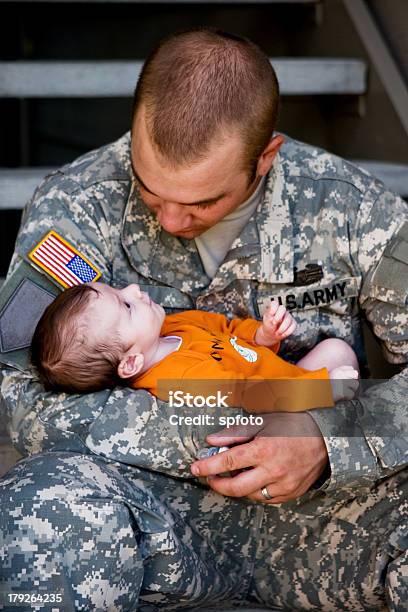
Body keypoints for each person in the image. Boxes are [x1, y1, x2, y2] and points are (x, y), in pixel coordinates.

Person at [0, 27, 407, 611]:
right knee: (43, 511)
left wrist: (327, 440)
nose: (169, 220)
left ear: (265, 157)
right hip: (155, 507)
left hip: (330, 512)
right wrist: (215, 428)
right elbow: (26, 401)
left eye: (201, 203)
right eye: (149, 189)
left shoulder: (351, 206)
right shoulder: (76, 204)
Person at [30, 281, 359, 409]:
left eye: (119, 289)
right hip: (278, 408)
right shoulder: (182, 381)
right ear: (129, 363)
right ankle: (330, 411)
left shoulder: (170, 326)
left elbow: (226, 328)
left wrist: (264, 336)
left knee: (337, 351)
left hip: (282, 376)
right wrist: (319, 389)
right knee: (340, 374)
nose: (133, 289)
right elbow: (253, 397)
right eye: (126, 305)